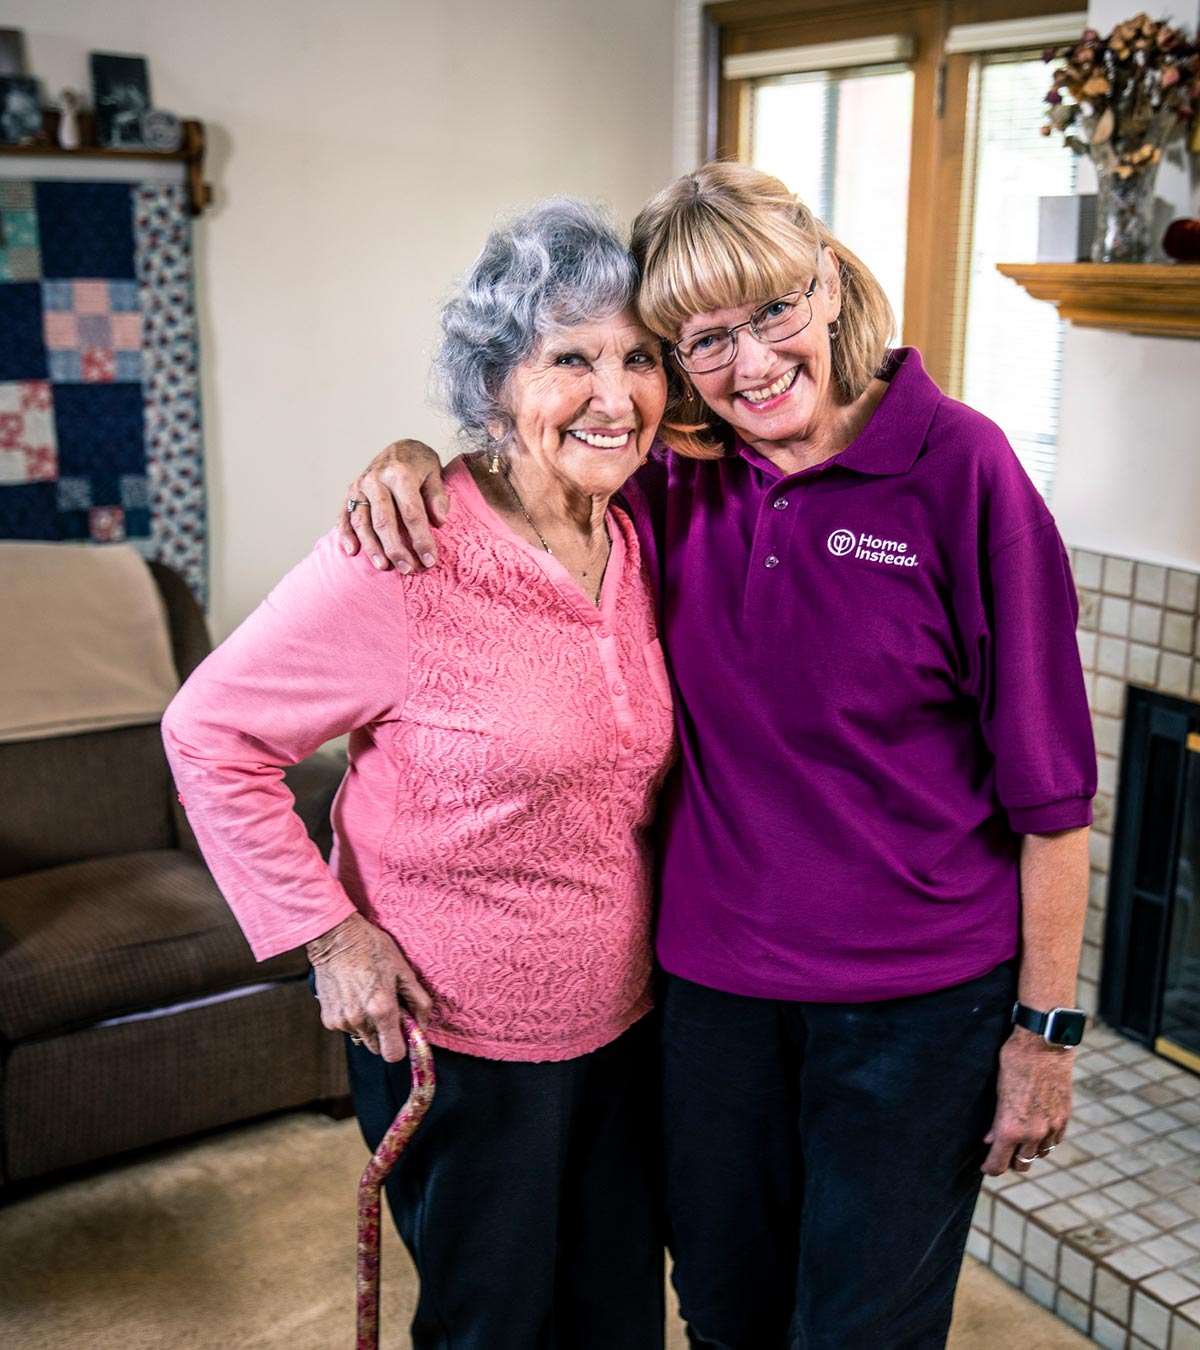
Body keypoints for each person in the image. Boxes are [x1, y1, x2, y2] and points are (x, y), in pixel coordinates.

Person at [335, 162, 1097, 1350]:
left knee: (861, 1331)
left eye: (773, 312)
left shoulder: (966, 469)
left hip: (916, 1012)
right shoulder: (677, 477)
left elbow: (1053, 800)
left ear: (830, 285)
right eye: (699, 340)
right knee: (726, 1312)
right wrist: (411, 456)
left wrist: (1043, 1036)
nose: (749, 365)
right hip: (712, 1002)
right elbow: (539, 451)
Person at [162, 198, 679, 1350]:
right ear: (499, 384)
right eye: (571, 359)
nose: (615, 392)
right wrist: (328, 936)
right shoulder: (405, 548)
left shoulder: (638, 530)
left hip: (626, 1029)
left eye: (638, 356)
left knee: (614, 1322)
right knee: (491, 1327)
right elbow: (209, 732)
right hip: (463, 1049)